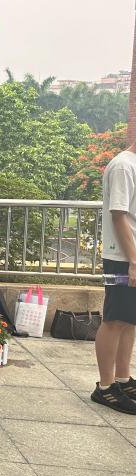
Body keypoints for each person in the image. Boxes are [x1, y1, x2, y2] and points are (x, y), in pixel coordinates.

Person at [91, 142, 136, 413]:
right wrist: (133, 260)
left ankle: (122, 379)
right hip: (121, 257)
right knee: (115, 319)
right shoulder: (123, 166)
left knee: (130, 321)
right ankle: (105, 387)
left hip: (130, 256)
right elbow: (118, 216)